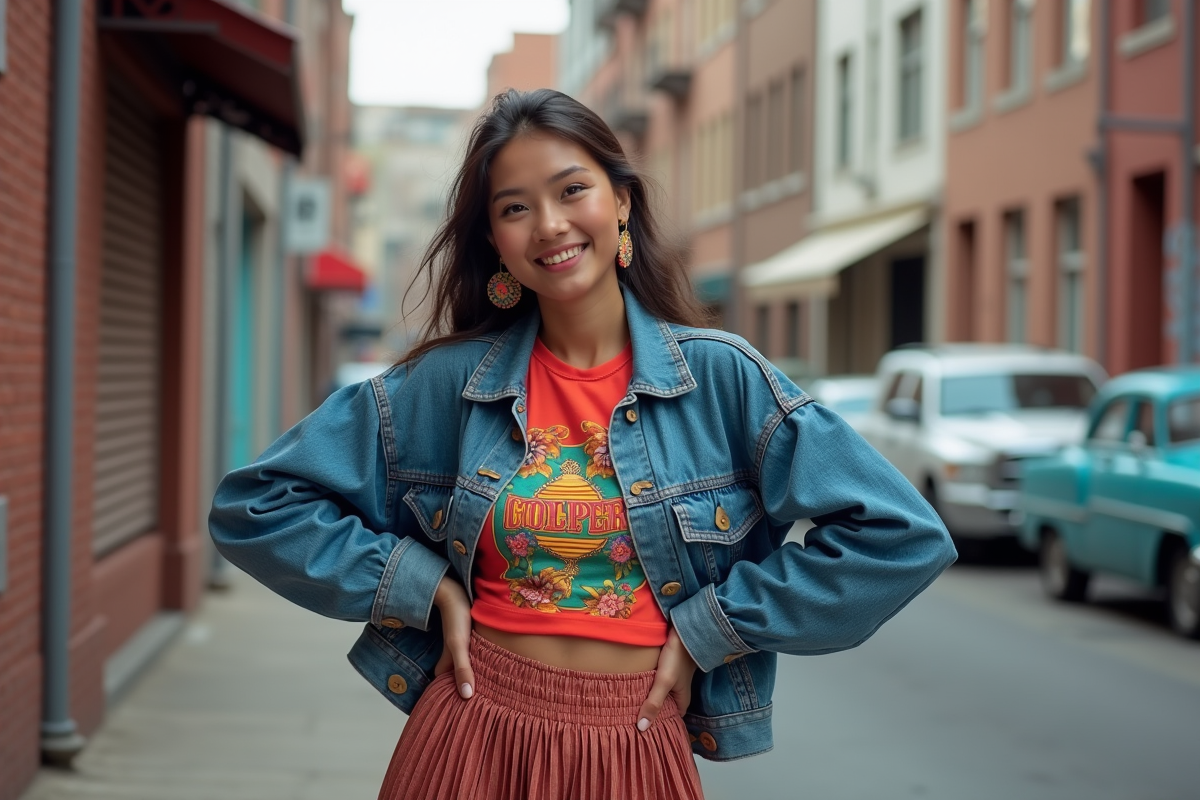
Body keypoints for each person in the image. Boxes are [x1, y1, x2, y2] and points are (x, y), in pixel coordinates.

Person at [209, 88, 957, 800]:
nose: (550, 225)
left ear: (621, 200)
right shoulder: (444, 386)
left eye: (573, 191)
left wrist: (712, 629)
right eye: (515, 207)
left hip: (634, 741)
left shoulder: (722, 380)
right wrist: (419, 586)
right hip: (473, 732)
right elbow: (257, 506)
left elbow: (899, 536)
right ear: (496, 241)